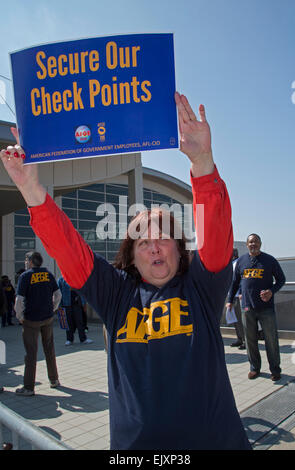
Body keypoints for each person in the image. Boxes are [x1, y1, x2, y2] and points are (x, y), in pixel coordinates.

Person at [0, 93, 251, 449]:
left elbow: (214, 232)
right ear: (131, 257)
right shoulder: (115, 293)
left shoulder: (202, 286)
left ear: (180, 251)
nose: (153, 246)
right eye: (142, 241)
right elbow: (70, 249)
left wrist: (202, 161)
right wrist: (30, 188)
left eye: (163, 238)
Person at [227, 234, 286, 382]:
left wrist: (271, 291)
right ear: (247, 245)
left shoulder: (269, 260)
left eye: (256, 242)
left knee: (271, 340)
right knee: (250, 340)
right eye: (251, 242)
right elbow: (235, 283)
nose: (253, 244)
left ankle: (275, 370)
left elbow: (281, 279)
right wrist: (229, 301)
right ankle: (254, 368)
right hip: (247, 307)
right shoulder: (241, 261)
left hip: (266, 308)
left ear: (260, 244)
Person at [14, 251, 62, 396]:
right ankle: (54, 380)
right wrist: (52, 309)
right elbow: (58, 294)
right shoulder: (48, 274)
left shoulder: (25, 276)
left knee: (31, 354)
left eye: (25, 260)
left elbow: (19, 300)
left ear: (30, 261)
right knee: (49, 349)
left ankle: (28, 387)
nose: (25, 262)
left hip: (31, 320)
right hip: (47, 318)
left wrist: (20, 316)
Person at [58, 276, 93, 346]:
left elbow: (82, 291)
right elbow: (59, 293)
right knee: (68, 322)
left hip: (77, 303)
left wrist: (84, 303)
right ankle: (69, 339)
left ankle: (83, 338)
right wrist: (60, 305)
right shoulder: (61, 280)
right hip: (66, 304)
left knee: (80, 321)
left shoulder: (77, 277)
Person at [229, 249, 246, 350]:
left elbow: (241, 279)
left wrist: (240, 292)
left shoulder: (238, 263)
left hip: (238, 296)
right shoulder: (231, 264)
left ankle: (245, 340)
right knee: (235, 319)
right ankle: (239, 339)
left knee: (240, 319)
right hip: (231, 295)